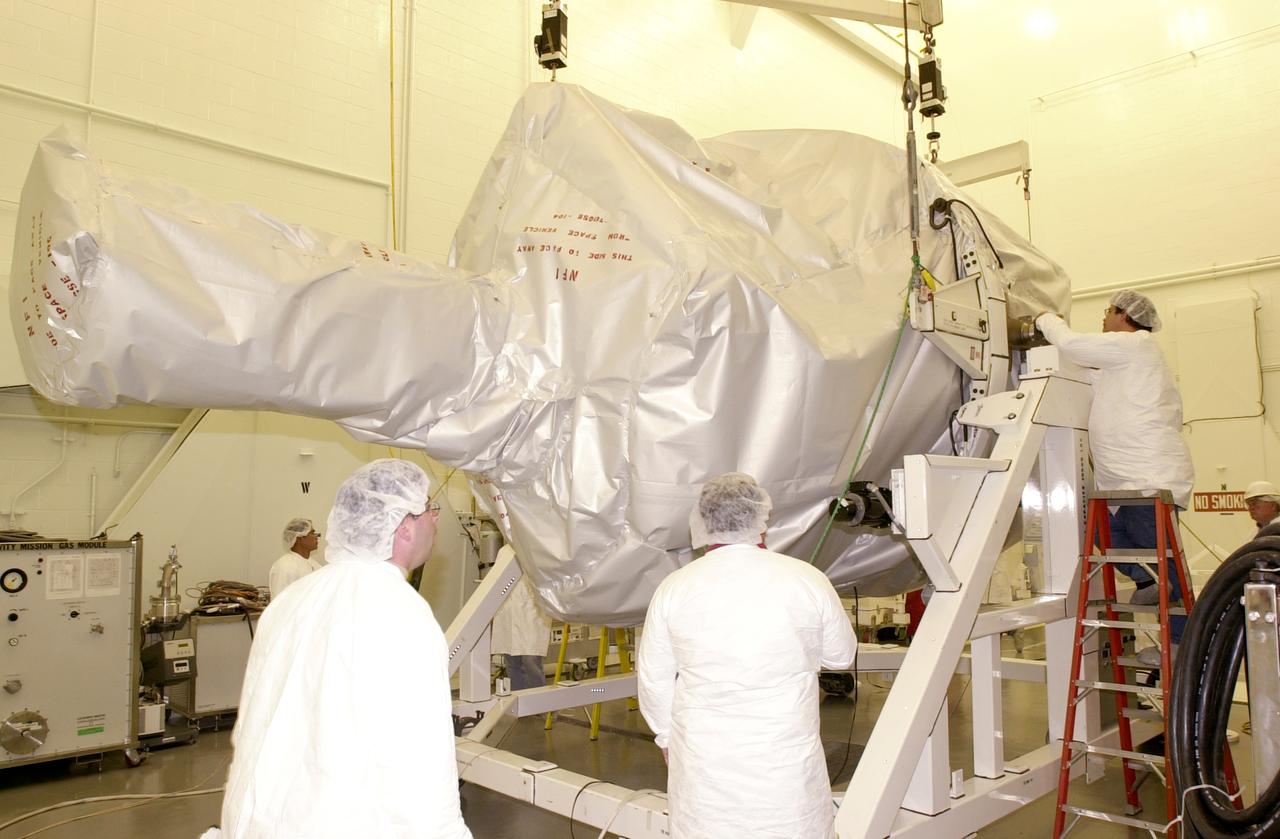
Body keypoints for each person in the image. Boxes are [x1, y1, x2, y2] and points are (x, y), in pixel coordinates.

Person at [209, 459, 471, 839]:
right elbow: (420, 758)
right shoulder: (400, 611)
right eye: (431, 509)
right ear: (404, 526)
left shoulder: (293, 600)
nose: (437, 520)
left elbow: (257, 723)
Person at [637, 473, 857, 839]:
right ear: (762, 523)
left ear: (702, 523)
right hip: (784, 768)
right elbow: (840, 656)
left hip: (705, 768)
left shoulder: (674, 587)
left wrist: (665, 737)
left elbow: (654, 678)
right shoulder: (807, 578)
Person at [1036, 290, 1193, 663]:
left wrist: (1045, 319)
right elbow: (1080, 368)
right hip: (1121, 483)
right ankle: (1144, 582)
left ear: (1125, 316)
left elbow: (1073, 345)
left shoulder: (1134, 346)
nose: (1104, 318)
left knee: (1164, 567)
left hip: (1146, 478)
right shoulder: (1117, 366)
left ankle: (1182, 648)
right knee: (1106, 536)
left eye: (1108, 312)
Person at [490, 546, 554, 691]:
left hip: (531, 612)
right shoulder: (504, 552)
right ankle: (519, 703)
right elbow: (495, 582)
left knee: (531, 661)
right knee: (512, 661)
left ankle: (540, 705)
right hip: (508, 613)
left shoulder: (534, 546)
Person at [267, 517, 321, 599]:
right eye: (312, 533)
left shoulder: (315, 565)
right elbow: (280, 603)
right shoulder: (285, 566)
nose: (317, 536)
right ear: (299, 537)